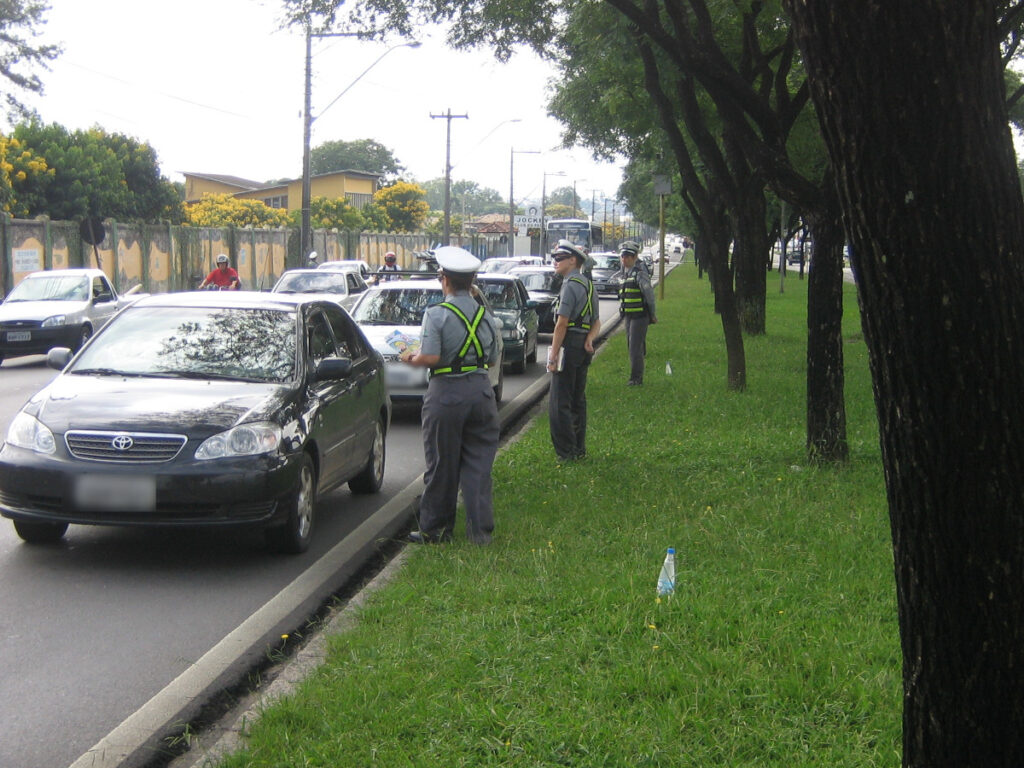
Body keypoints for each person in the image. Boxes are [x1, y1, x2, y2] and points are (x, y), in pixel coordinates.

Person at [399, 246, 502, 545]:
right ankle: (480, 533)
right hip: (482, 392)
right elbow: (493, 359)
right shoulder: (485, 314)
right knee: (479, 465)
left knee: (442, 463)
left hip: (446, 394)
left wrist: (410, 358)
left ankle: (436, 529)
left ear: (444, 279)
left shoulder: (437, 314)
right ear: (470, 281)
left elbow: (430, 357)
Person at [547, 240, 601, 461]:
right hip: (582, 346)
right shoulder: (588, 285)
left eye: (559, 258)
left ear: (573, 260)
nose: (555, 262)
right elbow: (596, 321)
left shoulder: (570, 284)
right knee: (578, 399)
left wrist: (553, 354)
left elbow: (562, 323)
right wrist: (589, 339)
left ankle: (566, 452)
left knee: (560, 401)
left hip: (568, 344)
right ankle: (579, 448)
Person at [618, 240, 657, 385]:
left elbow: (649, 296)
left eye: (628, 256)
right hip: (629, 316)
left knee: (635, 347)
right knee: (631, 346)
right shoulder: (624, 274)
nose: (625, 259)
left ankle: (636, 379)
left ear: (635, 257)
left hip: (640, 316)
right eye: (623, 256)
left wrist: (652, 315)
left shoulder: (639, 273)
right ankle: (635, 376)